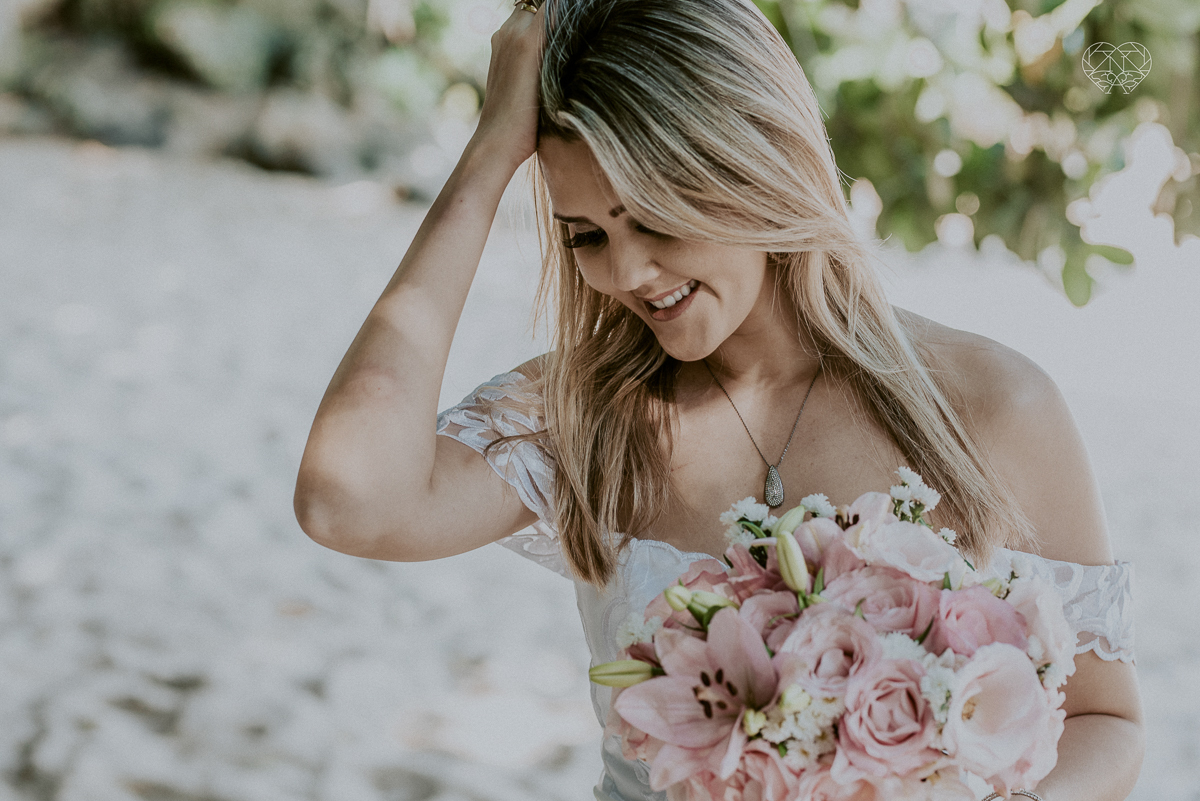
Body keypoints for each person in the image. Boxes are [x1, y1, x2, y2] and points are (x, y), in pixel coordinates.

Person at [293, 0, 1144, 798]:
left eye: (654, 217)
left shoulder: (992, 406)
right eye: (586, 234)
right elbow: (347, 500)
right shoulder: (581, 416)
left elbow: (1105, 719)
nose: (627, 274)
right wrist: (488, 155)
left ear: (752, 161)